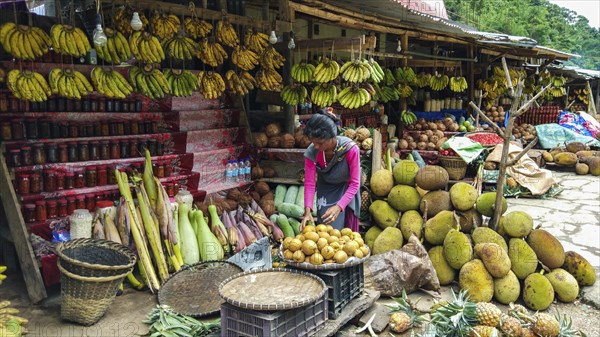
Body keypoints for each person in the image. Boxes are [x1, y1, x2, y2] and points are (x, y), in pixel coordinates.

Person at [300, 109, 361, 231]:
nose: (316, 146)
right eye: (313, 142)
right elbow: (310, 183)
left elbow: (355, 183)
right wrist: (307, 211)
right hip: (325, 191)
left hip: (347, 191)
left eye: (320, 143)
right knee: (325, 234)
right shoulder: (312, 151)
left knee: (346, 236)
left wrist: (339, 206)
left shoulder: (350, 149)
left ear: (332, 137)